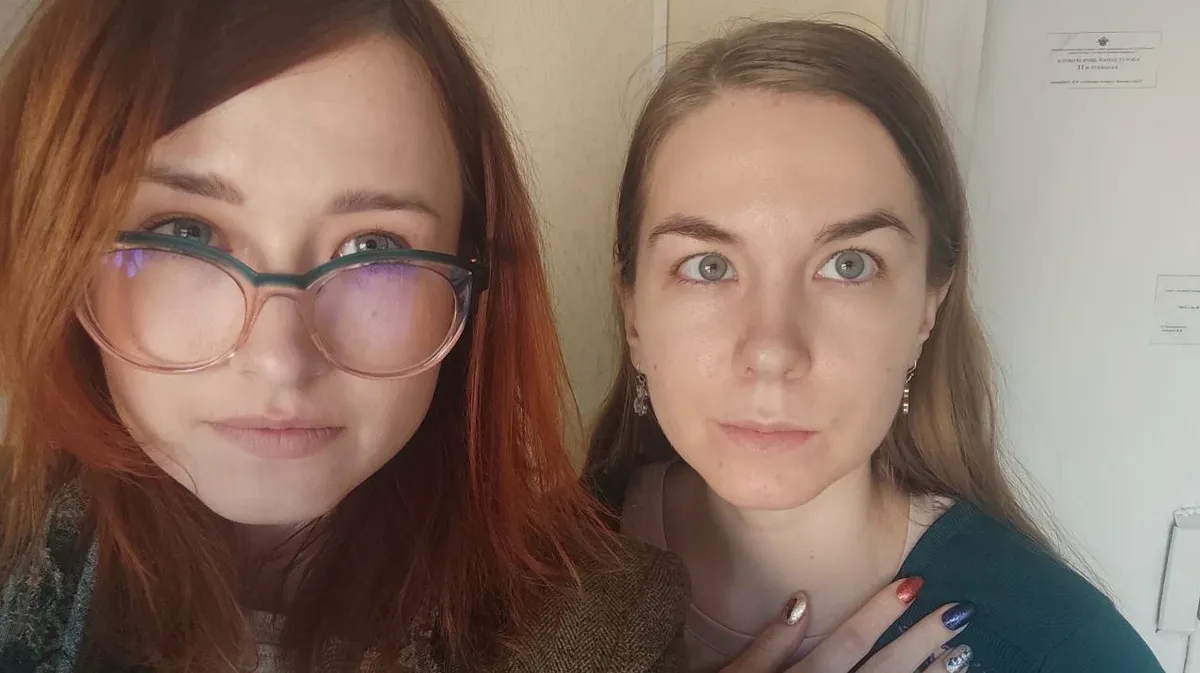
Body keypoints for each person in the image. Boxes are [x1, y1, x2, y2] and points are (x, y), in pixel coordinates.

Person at [0, 1, 695, 670]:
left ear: (472, 276)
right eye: (187, 233)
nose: (280, 358)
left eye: (374, 248)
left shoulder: (603, 627)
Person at [585, 19, 1165, 673]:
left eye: (849, 265)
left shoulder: (1072, 650)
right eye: (709, 266)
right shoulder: (505, 592)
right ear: (633, 311)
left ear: (928, 305)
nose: (772, 351)